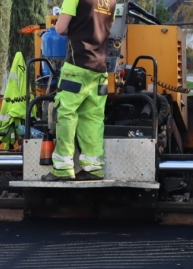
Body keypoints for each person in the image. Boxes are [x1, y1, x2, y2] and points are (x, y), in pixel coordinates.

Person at [43, 0, 116, 182]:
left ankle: (63, 168)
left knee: (66, 113)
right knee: (93, 117)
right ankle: (93, 168)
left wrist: (75, 27)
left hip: (77, 66)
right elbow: (108, 26)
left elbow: (60, 29)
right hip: (100, 68)